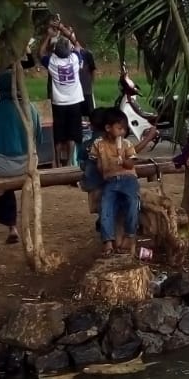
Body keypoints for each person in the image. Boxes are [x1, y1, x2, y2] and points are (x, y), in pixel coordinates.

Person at [0, 71, 40, 245]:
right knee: (4, 175)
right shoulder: (31, 107)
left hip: (2, 166)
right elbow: (38, 139)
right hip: (29, 163)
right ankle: (12, 227)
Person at [88, 108, 140, 255]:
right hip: (110, 181)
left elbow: (131, 164)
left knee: (132, 203)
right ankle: (107, 241)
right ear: (108, 128)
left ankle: (130, 235)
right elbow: (96, 163)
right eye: (119, 128)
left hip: (128, 178)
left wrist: (123, 161)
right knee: (106, 207)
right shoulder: (98, 144)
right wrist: (101, 167)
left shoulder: (126, 144)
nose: (122, 132)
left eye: (124, 129)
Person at [41, 35, 85, 167]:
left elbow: (41, 53)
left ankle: (58, 162)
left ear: (55, 50)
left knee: (59, 134)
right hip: (75, 101)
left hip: (59, 103)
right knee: (72, 135)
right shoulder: (75, 59)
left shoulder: (52, 61)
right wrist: (66, 32)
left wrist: (47, 36)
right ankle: (70, 161)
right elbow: (78, 45)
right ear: (69, 50)